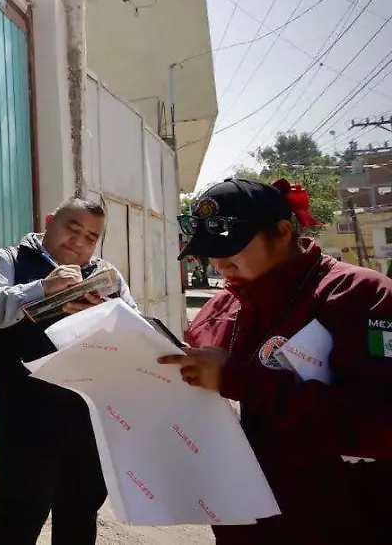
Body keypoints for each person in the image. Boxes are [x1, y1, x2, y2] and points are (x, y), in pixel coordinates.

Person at [160, 178, 392, 545]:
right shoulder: (217, 311)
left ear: (283, 232)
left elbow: (377, 428)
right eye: (209, 251)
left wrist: (240, 380)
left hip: (339, 525)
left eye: (231, 247)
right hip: (240, 526)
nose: (219, 263)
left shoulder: (359, 295)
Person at [0, 198, 136, 545]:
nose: (80, 241)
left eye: (91, 236)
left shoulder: (105, 274)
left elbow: (135, 327)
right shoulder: (11, 260)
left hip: (88, 416)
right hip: (27, 414)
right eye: (73, 228)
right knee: (22, 510)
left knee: (80, 510)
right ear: (50, 221)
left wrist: (109, 312)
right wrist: (42, 289)